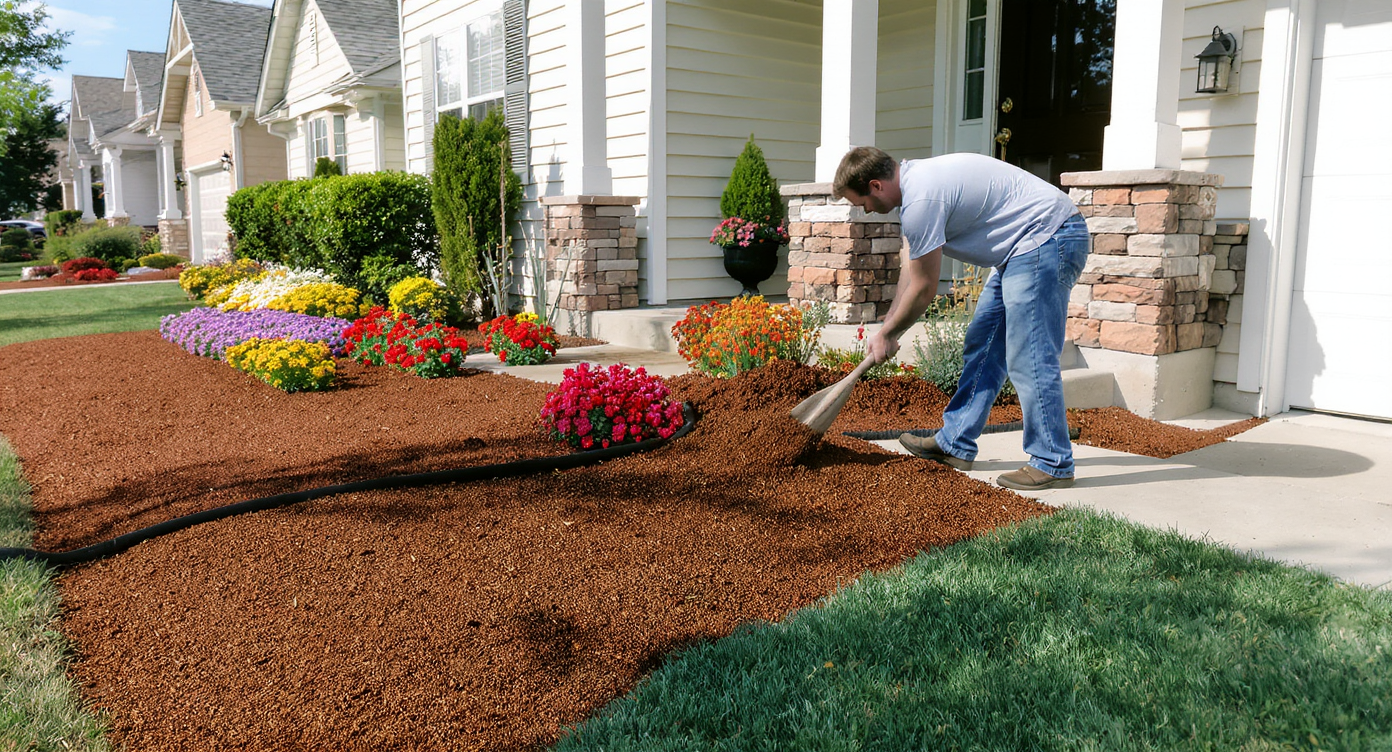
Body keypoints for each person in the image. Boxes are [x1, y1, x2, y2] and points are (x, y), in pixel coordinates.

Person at [833, 147, 1090, 490]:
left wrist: (891, 332)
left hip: (1047, 238)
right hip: (1023, 247)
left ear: (876, 185)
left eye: (860, 202)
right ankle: (955, 442)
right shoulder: (915, 190)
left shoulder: (922, 200)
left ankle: (1052, 462)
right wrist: (887, 329)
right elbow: (912, 272)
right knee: (983, 344)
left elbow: (924, 289)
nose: (864, 210)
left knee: (1028, 356)